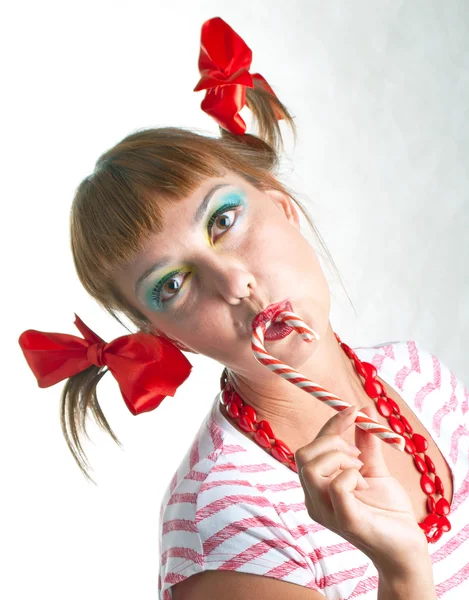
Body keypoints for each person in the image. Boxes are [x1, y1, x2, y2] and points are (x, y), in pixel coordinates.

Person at [18, 16, 468, 600]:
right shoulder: (223, 524)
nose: (232, 281)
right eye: (173, 285)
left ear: (283, 209)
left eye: (223, 221)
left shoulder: (419, 376)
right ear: (165, 337)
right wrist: (403, 574)